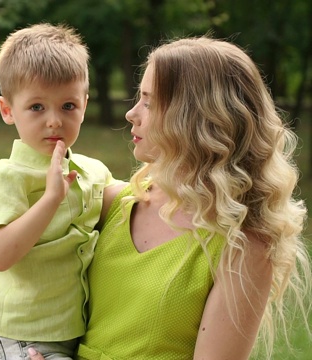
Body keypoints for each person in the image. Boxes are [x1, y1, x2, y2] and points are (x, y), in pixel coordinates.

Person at [28, 36, 311, 360]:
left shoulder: (242, 246)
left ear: (197, 117)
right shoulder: (113, 204)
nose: (131, 114)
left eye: (149, 102)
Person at [0, 23, 120, 359]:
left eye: (67, 106)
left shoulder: (92, 171)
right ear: (7, 110)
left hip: (75, 329)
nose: (54, 121)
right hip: (22, 336)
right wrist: (50, 199)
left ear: (85, 104)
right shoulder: (9, 178)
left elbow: (133, 199)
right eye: (37, 107)